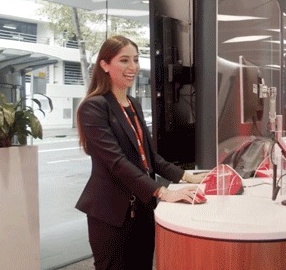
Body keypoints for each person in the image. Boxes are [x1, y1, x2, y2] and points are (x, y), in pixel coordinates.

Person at [75, 35, 205, 270]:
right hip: (111, 214)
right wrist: (162, 192)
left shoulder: (133, 104)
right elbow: (115, 162)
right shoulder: (93, 107)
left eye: (135, 59)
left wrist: (187, 177)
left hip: (142, 208)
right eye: (124, 60)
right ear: (105, 65)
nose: (132, 67)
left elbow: (150, 157)